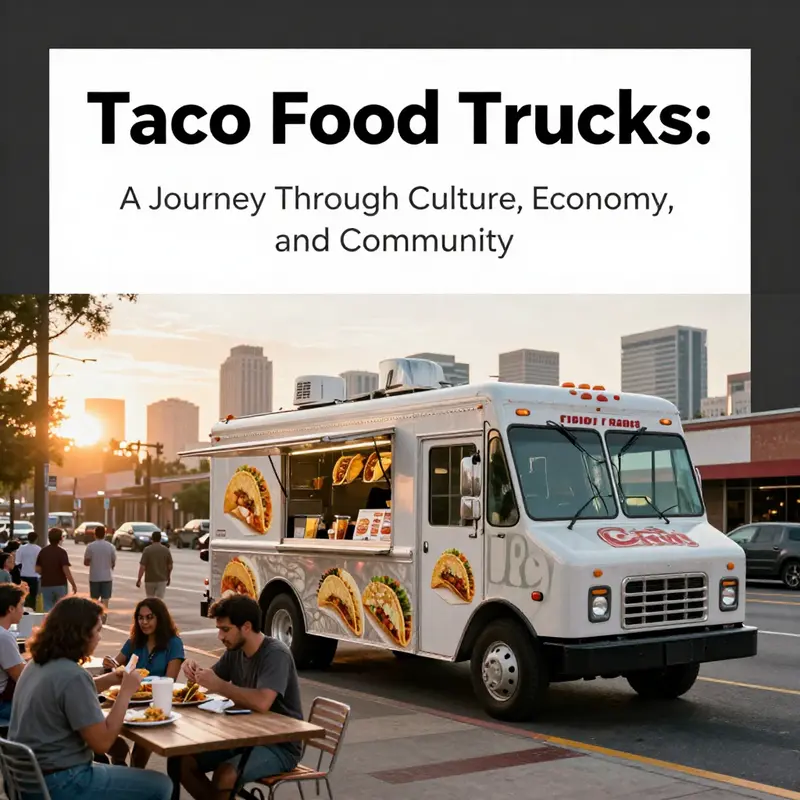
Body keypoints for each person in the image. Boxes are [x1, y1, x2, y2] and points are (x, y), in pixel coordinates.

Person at [8, 596, 173, 799]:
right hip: (62, 782)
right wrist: (125, 692)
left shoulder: (36, 665)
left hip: (26, 780)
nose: (99, 638)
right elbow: (102, 743)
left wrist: (111, 679)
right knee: (161, 785)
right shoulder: (73, 675)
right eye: (97, 631)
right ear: (80, 634)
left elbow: (67, 694)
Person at [179, 595, 303, 800]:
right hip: (242, 736)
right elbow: (209, 681)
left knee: (225, 776)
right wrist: (193, 672)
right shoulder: (235, 651)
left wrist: (220, 686)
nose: (220, 636)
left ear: (246, 626)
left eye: (225, 629)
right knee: (181, 762)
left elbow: (263, 702)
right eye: (219, 629)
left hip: (280, 744)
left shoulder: (275, 653)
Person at [102, 597, 185, 768]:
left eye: (149, 617)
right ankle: (120, 765)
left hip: (155, 701)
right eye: (141, 618)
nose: (144, 622)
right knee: (107, 731)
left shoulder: (174, 643)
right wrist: (110, 664)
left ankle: (132, 773)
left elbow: (171, 680)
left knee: (144, 739)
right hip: (129, 698)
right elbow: (117, 667)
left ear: (160, 619)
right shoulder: (134, 642)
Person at [0, 583, 27, 724]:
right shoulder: (3, 637)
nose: (23, 610)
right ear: (11, 608)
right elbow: (23, 678)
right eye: (21, 605)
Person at [36, 527, 78, 611]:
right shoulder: (62, 552)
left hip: (46, 584)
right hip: (60, 584)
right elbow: (66, 569)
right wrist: (73, 584)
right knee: (61, 608)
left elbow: (37, 569)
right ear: (61, 538)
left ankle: (49, 622)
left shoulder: (43, 551)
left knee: (47, 607)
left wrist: (46, 573)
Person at [84, 525, 116, 619]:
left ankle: (95, 617)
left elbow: (86, 562)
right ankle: (104, 616)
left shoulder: (90, 546)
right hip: (107, 577)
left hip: (94, 577)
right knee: (105, 599)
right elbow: (113, 562)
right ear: (105, 534)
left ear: (95, 534)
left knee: (94, 600)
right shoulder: (110, 547)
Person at [136, 531, 172, 599]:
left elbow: (142, 566)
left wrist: (139, 579)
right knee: (159, 600)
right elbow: (170, 566)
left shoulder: (147, 550)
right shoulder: (166, 550)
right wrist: (168, 577)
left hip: (149, 580)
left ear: (152, 538)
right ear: (160, 538)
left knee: (150, 599)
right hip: (162, 579)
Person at [17, 531, 41, 608]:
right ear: (36, 539)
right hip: (35, 575)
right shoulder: (38, 549)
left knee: (23, 594)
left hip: (23, 574)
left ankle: (23, 608)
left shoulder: (22, 548)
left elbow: (17, 561)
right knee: (33, 595)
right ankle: (32, 608)